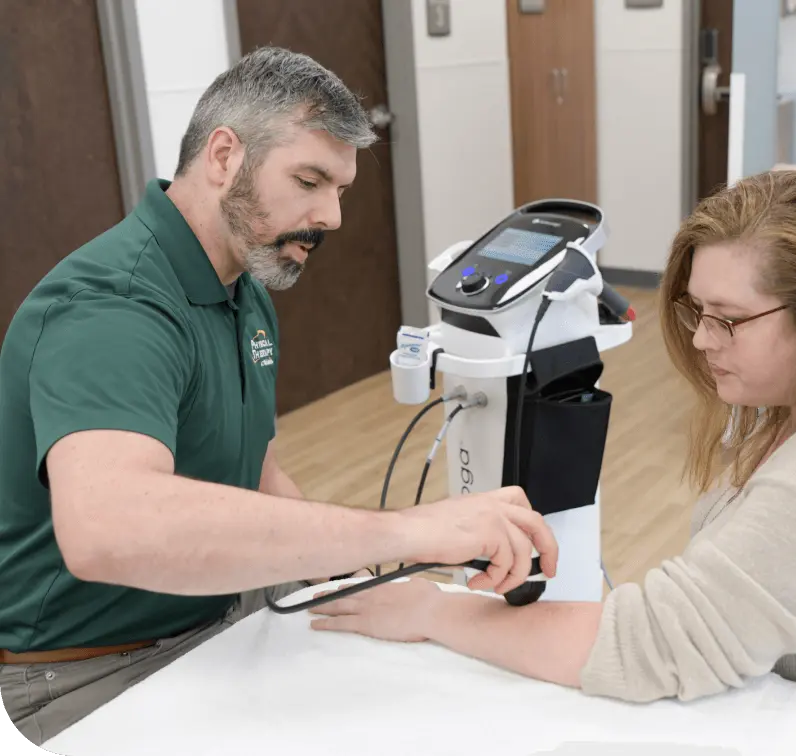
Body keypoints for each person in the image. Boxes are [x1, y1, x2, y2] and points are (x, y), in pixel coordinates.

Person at [310, 169, 796, 756]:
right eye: (698, 310)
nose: (702, 338)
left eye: (728, 318)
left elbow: (646, 646)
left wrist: (434, 611)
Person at [0, 46, 557, 747]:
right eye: (309, 180)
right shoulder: (112, 306)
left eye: (341, 191)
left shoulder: (245, 292)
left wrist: (358, 575)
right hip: (84, 673)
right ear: (224, 156)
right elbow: (107, 529)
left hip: (213, 620)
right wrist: (409, 529)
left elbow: (251, 472)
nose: (331, 216)